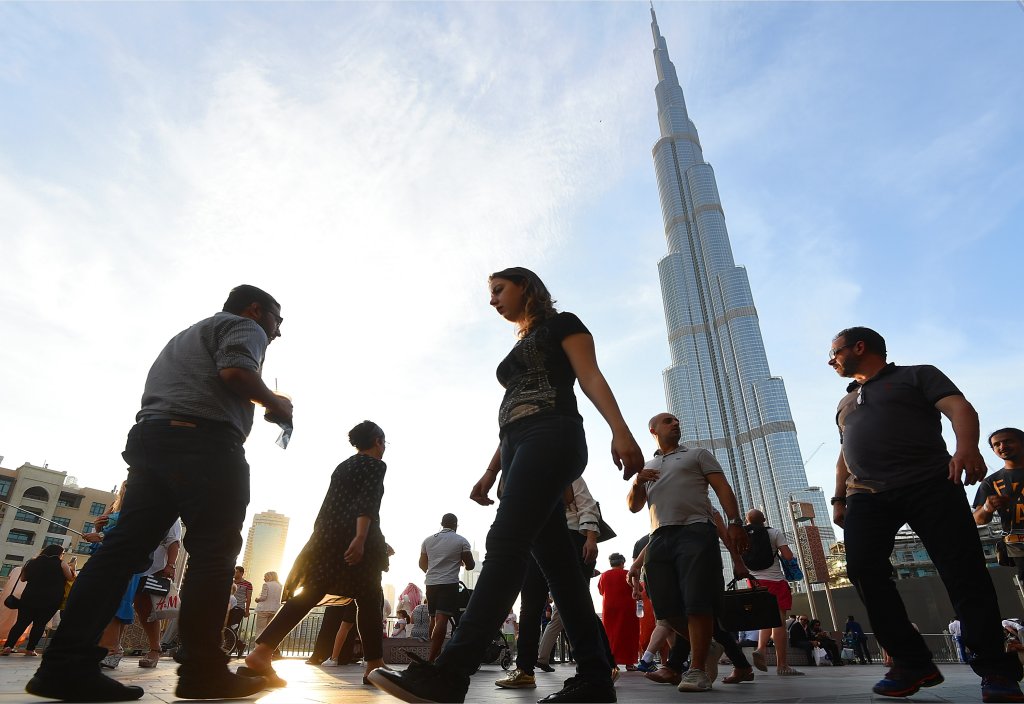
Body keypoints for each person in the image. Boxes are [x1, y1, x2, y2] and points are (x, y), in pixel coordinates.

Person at [370, 266, 644, 704]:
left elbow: (590, 375)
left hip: (553, 434)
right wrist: (491, 469)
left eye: (499, 290)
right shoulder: (519, 342)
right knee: (561, 571)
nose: (492, 299)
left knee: (505, 542)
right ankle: (594, 678)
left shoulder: (563, 323)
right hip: (519, 445)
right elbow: (512, 418)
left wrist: (621, 431)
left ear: (526, 288)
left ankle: (451, 674)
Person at [26, 284, 292, 703]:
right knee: (214, 554)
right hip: (204, 445)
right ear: (256, 309)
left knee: (120, 552)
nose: (277, 333)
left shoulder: (189, 335)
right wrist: (275, 402)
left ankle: (63, 664)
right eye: (278, 320)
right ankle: (204, 671)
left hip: (153, 442)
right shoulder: (244, 326)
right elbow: (235, 373)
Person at [828, 326, 1024, 701]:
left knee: (964, 573)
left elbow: (959, 407)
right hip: (866, 494)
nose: (831, 360)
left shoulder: (917, 374)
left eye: (834, 352)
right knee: (864, 570)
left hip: (929, 483)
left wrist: (966, 447)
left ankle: (996, 671)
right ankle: (912, 661)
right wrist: (839, 498)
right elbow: (844, 456)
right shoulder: (845, 402)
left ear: (859, 347)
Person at [243, 420, 390, 688]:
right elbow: (367, 503)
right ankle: (374, 665)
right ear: (378, 441)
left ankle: (262, 652)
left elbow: (332, 505)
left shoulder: (343, 466)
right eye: (384, 442)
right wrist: (360, 538)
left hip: (325, 537)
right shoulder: (375, 465)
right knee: (370, 597)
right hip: (353, 538)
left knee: (312, 591)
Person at [625, 411, 748, 692]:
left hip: (695, 531)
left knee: (697, 602)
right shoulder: (648, 465)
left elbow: (722, 487)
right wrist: (637, 482)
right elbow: (633, 507)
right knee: (666, 609)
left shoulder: (697, 455)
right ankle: (708, 646)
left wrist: (735, 522)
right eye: (668, 421)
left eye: (678, 421)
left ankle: (696, 670)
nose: (676, 423)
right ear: (653, 428)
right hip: (658, 537)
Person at [743, 508, 803, 676]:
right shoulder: (774, 533)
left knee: (765, 619)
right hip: (775, 581)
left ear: (747, 521)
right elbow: (788, 556)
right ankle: (782, 665)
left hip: (754, 582)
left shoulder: (743, 535)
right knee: (779, 622)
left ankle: (761, 649)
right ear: (764, 519)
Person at [418, 513, 475, 661]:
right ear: (456, 525)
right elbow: (471, 565)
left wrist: (434, 570)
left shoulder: (428, 540)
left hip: (431, 583)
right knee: (442, 619)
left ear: (441, 523)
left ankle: (433, 652)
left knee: (433, 619)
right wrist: (461, 561)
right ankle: (432, 658)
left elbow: (422, 564)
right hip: (449, 583)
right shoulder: (461, 541)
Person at [2, 545, 74, 656]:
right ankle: (30, 649)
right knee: (40, 624)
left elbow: (23, 578)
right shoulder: (61, 563)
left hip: (29, 597)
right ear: (59, 553)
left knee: (21, 623)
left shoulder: (31, 562)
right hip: (51, 600)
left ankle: (8, 646)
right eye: (63, 553)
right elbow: (70, 577)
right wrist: (72, 568)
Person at [973, 429, 1024, 581]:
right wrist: (988, 507)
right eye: (997, 444)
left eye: (1008, 441)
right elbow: (978, 519)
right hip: (1019, 547)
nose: (1002, 446)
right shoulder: (990, 482)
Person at [597, 554, 638, 669]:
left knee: (610, 634)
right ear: (622, 563)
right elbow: (639, 588)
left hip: (609, 608)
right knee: (628, 634)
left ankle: (612, 662)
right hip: (627, 608)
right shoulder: (628, 574)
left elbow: (601, 591)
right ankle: (629, 663)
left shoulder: (604, 575)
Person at [253, 572, 283, 637]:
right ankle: (267, 647)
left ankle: (257, 647)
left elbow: (263, 597)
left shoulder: (266, 584)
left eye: (265, 577)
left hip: (264, 610)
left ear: (270, 577)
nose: (264, 578)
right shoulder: (280, 586)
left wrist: (257, 599)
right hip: (274, 610)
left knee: (260, 631)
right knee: (269, 631)